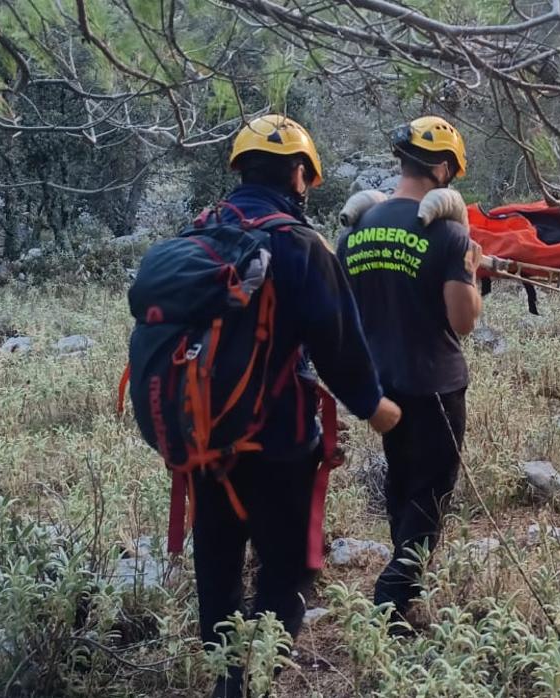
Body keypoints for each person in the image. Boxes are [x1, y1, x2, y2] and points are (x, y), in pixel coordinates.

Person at [198, 115, 401, 697]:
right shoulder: (301, 243)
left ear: (240, 170)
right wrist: (375, 407)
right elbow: (338, 343)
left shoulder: (201, 232)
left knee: (216, 554)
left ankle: (226, 677)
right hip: (278, 437)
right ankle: (260, 675)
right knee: (290, 563)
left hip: (204, 432)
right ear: (299, 175)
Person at [335, 116, 482, 629]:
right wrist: (471, 271)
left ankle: (398, 588)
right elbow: (462, 320)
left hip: (382, 388)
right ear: (442, 169)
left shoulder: (356, 231)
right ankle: (390, 604)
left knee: (402, 487)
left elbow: (348, 312)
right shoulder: (448, 232)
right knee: (431, 496)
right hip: (436, 384)